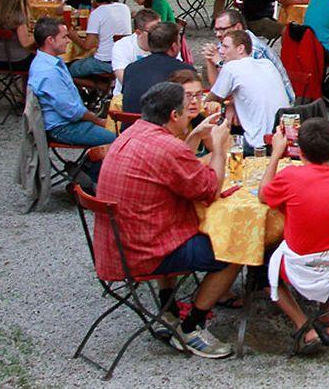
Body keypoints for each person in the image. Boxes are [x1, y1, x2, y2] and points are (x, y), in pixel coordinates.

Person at [95, 81, 241, 359]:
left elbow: (174, 167)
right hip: (145, 250)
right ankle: (192, 327)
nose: (191, 114)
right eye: (187, 110)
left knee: (185, 225)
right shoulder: (165, 147)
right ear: (174, 115)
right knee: (236, 247)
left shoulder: (132, 132)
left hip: (117, 244)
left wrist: (195, 134)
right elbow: (209, 189)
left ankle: (169, 308)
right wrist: (220, 147)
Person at [259, 118, 329, 350]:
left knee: (260, 267)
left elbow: (263, 195)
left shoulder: (290, 177)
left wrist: (276, 153)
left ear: (300, 150)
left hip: (302, 269)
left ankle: (304, 326)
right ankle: (328, 317)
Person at [27, 18, 115, 180]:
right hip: (62, 127)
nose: (68, 41)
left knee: (117, 130)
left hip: (66, 120)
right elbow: (72, 112)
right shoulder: (48, 72)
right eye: (64, 37)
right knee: (118, 140)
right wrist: (99, 121)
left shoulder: (47, 61)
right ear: (50, 40)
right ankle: (88, 178)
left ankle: (86, 169)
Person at [205, 30, 291, 152]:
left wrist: (209, 62)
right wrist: (232, 104)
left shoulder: (232, 67)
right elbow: (252, 93)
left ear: (240, 49)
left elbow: (211, 100)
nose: (221, 51)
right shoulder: (267, 64)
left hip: (258, 144)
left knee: (212, 137)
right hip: (283, 138)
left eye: (225, 47)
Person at [202, 9, 294, 101]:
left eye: (222, 29)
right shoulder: (228, 42)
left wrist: (220, 63)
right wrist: (210, 60)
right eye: (216, 30)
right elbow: (219, 88)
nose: (218, 34)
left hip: (278, 109)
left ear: (237, 27)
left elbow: (245, 87)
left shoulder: (252, 48)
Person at [122, 22, 196, 113]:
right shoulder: (185, 71)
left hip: (130, 124)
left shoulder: (131, 68)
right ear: (174, 46)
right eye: (179, 41)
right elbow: (190, 105)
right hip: (163, 125)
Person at [67, 0, 132, 77]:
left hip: (105, 62)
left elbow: (88, 46)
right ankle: (102, 86)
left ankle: (97, 86)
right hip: (125, 59)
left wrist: (73, 36)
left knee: (70, 69)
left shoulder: (97, 13)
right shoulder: (124, 8)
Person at [111, 8, 161, 96]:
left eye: (160, 29)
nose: (159, 34)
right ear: (138, 32)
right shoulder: (122, 46)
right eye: (153, 31)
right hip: (128, 96)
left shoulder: (167, 43)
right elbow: (124, 79)